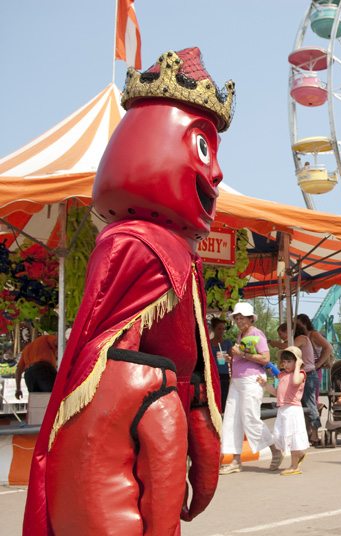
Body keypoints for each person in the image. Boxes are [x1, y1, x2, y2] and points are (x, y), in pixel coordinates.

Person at [23, 47, 231, 534]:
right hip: (115, 451)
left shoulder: (175, 251)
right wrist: (158, 401)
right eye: (203, 150)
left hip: (141, 438)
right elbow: (119, 352)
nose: (217, 174)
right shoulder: (132, 243)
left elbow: (183, 360)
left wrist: (195, 410)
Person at [219, 302, 281, 475]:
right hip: (238, 381)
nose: (239, 321)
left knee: (250, 418)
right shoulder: (241, 335)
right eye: (237, 318)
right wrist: (231, 358)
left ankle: (275, 449)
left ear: (250, 318)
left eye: (242, 318)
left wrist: (242, 355)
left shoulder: (256, 333)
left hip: (250, 380)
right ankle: (235, 460)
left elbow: (265, 358)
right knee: (231, 419)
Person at [259, 346, 309, 475]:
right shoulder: (283, 376)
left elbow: (295, 382)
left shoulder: (300, 374)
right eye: (284, 362)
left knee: (292, 437)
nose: (286, 364)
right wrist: (265, 385)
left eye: (289, 361)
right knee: (282, 435)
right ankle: (299, 455)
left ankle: (294, 466)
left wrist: (298, 366)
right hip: (283, 409)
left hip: (293, 409)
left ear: (297, 361)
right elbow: (277, 393)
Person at [271, 321, 320, 445]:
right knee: (303, 405)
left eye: (282, 335)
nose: (282, 339)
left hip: (308, 374)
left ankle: (315, 434)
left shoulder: (301, 338)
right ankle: (307, 433)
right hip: (305, 373)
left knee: (310, 404)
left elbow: (288, 348)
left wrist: (272, 343)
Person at [296, 313, 334, 406]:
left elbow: (328, 347)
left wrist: (318, 364)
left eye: (297, 324)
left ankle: (315, 416)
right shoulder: (300, 336)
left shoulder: (313, 334)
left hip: (314, 370)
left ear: (304, 323)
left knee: (311, 400)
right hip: (304, 370)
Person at [14, 333, 57, 398]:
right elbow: (58, 342)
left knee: (38, 401)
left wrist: (18, 389)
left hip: (29, 376)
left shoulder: (26, 350)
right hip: (43, 370)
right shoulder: (46, 338)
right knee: (55, 395)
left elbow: (18, 371)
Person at [210, 317, 234, 410]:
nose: (222, 331)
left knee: (224, 398)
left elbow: (232, 359)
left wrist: (228, 359)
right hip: (212, 374)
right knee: (213, 398)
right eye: (219, 328)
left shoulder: (227, 343)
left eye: (223, 329)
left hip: (224, 374)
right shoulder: (208, 343)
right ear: (213, 329)